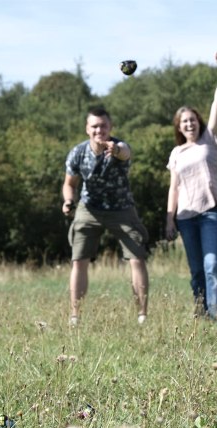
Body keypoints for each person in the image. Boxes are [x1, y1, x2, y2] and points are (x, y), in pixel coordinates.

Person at [62, 107, 149, 326]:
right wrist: (68, 201)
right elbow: (69, 184)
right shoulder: (78, 153)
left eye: (103, 126)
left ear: (110, 128)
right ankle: (75, 316)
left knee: (137, 257)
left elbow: (125, 152)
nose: (99, 130)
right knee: (78, 259)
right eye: (94, 126)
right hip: (89, 209)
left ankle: (142, 316)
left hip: (121, 209)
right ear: (87, 129)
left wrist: (115, 150)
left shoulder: (119, 147)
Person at [165, 53, 217, 320]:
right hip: (185, 217)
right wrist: (169, 221)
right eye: (184, 121)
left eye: (192, 119)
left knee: (211, 264)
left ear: (199, 122)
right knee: (196, 270)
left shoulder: (209, 139)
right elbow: (174, 188)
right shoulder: (177, 152)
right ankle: (201, 312)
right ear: (179, 127)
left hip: (210, 213)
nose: (189, 124)